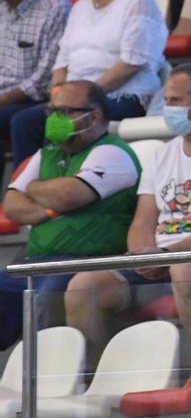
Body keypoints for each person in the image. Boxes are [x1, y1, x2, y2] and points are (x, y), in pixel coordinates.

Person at [64, 67, 191, 359]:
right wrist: (144, 255)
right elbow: (143, 219)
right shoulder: (163, 154)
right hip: (164, 258)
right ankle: (96, 378)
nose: (167, 108)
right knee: (83, 285)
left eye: (175, 101)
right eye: (166, 100)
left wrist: (166, 256)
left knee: (184, 270)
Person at [0, 80, 139, 351]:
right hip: (37, 261)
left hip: (89, 262)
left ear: (95, 115)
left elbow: (70, 194)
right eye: (51, 111)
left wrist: (34, 187)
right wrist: (49, 208)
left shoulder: (112, 152)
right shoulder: (46, 153)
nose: (54, 119)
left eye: (64, 112)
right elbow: (12, 205)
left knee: (47, 294)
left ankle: (53, 382)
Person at [16, 0, 164, 164]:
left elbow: (130, 64)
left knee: (51, 121)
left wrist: (84, 97)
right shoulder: (82, 6)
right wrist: (58, 93)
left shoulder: (138, 1)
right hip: (75, 97)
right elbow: (62, 61)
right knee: (25, 121)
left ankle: (69, 182)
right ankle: (29, 188)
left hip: (122, 94)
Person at [0, 0, 66, 161]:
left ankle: (20, 191)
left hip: (30, 98)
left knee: (22, 121)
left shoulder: (55, 9)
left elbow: (41, 80)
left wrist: (2, 99)